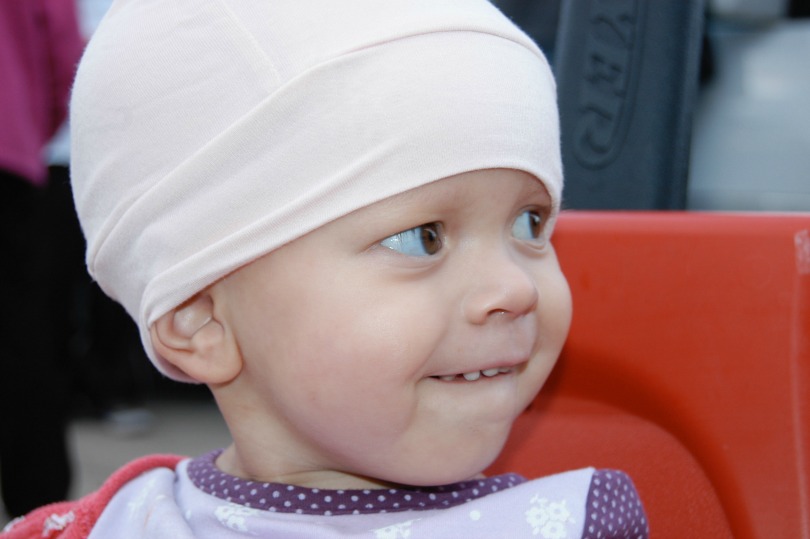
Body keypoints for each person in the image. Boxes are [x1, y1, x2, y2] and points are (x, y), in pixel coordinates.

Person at [2, 1, 649, 537]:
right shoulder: (107, 526)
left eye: (531, 224)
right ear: (201, 318)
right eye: (423, 238)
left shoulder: (566, 525)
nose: (515, 286)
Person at [0, 0, 85, 518]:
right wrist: (26, 128)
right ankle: (41, 514)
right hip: (9, 167)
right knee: (22, 346)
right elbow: (67, 71)